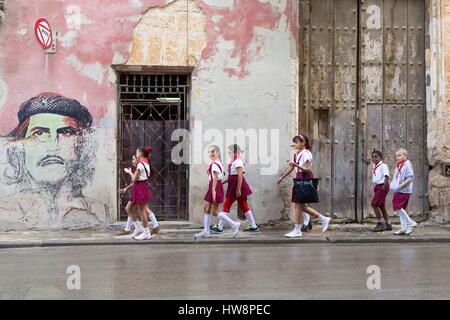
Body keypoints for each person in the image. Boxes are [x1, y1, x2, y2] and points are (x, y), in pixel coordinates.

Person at [1, 92, 109, 228]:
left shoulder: (97, 210)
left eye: (66, 132)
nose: (53, 145)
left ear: (80, 147)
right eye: (39, 133)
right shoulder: (4, 210)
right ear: (21, 147)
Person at [277, 134, 331, 238]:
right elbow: (291, 167)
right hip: (299, 178)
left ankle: (298, 229)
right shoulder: (297, 154)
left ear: (303, 143)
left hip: (304, 178)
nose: (295, 145)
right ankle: (322, 219)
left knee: (298, 205)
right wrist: (282, 177)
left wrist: (296, 165)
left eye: (297, 142)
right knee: (299, 205)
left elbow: (307, 169)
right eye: (295, 143)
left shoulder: (306, 154)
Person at [117, 155, 160, 236]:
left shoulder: (140, 168)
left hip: (139, 191)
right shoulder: (140, 168)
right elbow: (135, 182)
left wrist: (130, 173)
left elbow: (135, 180)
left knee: (134, 209)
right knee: (136, 209)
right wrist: (127, 188)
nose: (132, 161)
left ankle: (136, 229)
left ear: (138, 160)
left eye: (133, 159)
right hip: (137, 190)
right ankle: (155, 226)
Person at [195, 145, 225, 239]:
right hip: (213, 186)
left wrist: (213, 190)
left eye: (213, 151)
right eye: (209, 152)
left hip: (214, 186)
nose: (211, 154)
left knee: (214, 211)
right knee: (206, 208)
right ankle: (206, 231)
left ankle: (234, 224)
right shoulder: (217, 162)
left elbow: (215, 178)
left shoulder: (215, 164)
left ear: (218, 152)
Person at [124, 147, 154, 241]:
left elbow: (134, 179)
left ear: (140, 153)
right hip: (140, 187)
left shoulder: (140, 165)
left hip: (140, 187)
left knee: (142, 211)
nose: (136, 154)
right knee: (128, 208)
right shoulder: (146, 163)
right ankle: (138, 227)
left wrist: (129, 172)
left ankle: (146, 233)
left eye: (137, 152)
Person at [391, 148, 417, 235]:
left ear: (405, 156)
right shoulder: (399, 165)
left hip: (403, 190)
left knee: (397, 206)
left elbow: (410, 178)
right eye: (396, 156)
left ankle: (411, 223)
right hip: (399, 189)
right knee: (401, 209)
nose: (397, 157)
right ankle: (404, 228)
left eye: (399, 155)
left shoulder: (407, 165)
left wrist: (399, 187)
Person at [370, 150, 392, 232]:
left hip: (383, 186)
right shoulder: (374, 165)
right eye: (373, 157)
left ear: (380, 158)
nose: (374, 158)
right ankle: (388, 223)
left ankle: (381, 223)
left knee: (374, 204)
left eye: (376, 157)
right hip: (378, 186)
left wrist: (383, 187)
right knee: (381, 206)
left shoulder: (383, 165)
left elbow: (387, 176)